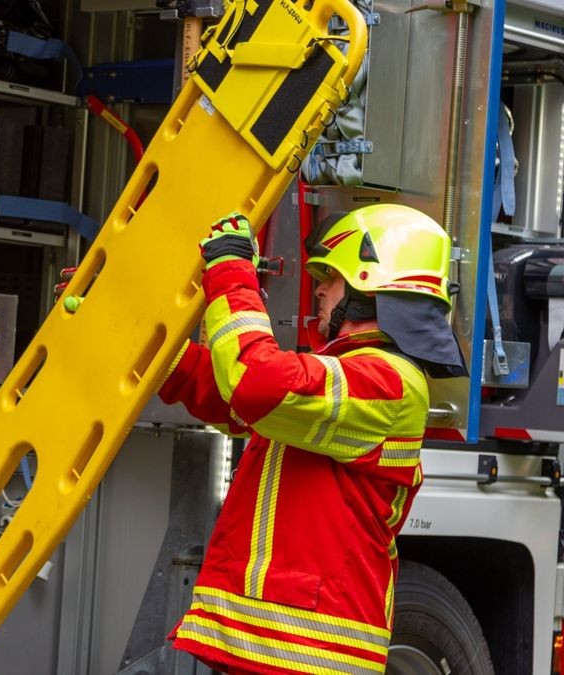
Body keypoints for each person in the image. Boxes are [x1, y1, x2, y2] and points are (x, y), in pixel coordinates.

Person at [157, 204, 468, 674]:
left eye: (332, 278)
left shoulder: (389, 381)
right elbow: (234, 401)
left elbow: (255, 384)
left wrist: (231, 273)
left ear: (371, 285)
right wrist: (143, 341)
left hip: (308, 651)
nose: (318, 289)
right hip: (283, 647)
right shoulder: (352, 373)